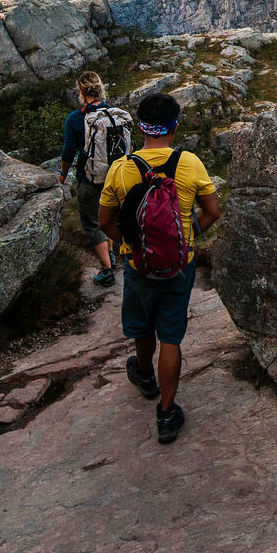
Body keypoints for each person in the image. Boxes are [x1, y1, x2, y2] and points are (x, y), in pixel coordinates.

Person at [98, 92, 220, 444]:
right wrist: (190, 233)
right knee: (171, 335)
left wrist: (129, 243)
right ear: (175, 126)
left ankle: (145, 378)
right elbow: (212, 211)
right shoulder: (190, 163)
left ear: (141, 127)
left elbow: (104, 220)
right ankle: (167, 415)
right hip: (180, 264)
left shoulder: (122, 169)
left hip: (138, 263)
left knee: (141, 324)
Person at [58, 71, 128, 287]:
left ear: (81, 91)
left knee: (92, 223)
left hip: (89, 179)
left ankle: (107, 270)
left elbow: (69, 152)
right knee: (108, 217)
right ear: (100, 88)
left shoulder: (75, 118)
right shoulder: (113, 114)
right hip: (116, 178)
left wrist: (62, 175)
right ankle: (111, 254)